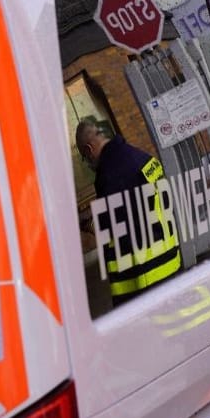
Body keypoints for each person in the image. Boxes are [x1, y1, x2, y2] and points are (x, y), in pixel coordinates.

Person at [75, 118, 180, 302]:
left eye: (85, 158)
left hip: (145, 278)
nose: (88, 162)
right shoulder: (139, 157)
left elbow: (113, 229)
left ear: (89, 150)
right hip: (170, 261)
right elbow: (134, 202)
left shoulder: (109, 175)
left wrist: (89, 224)